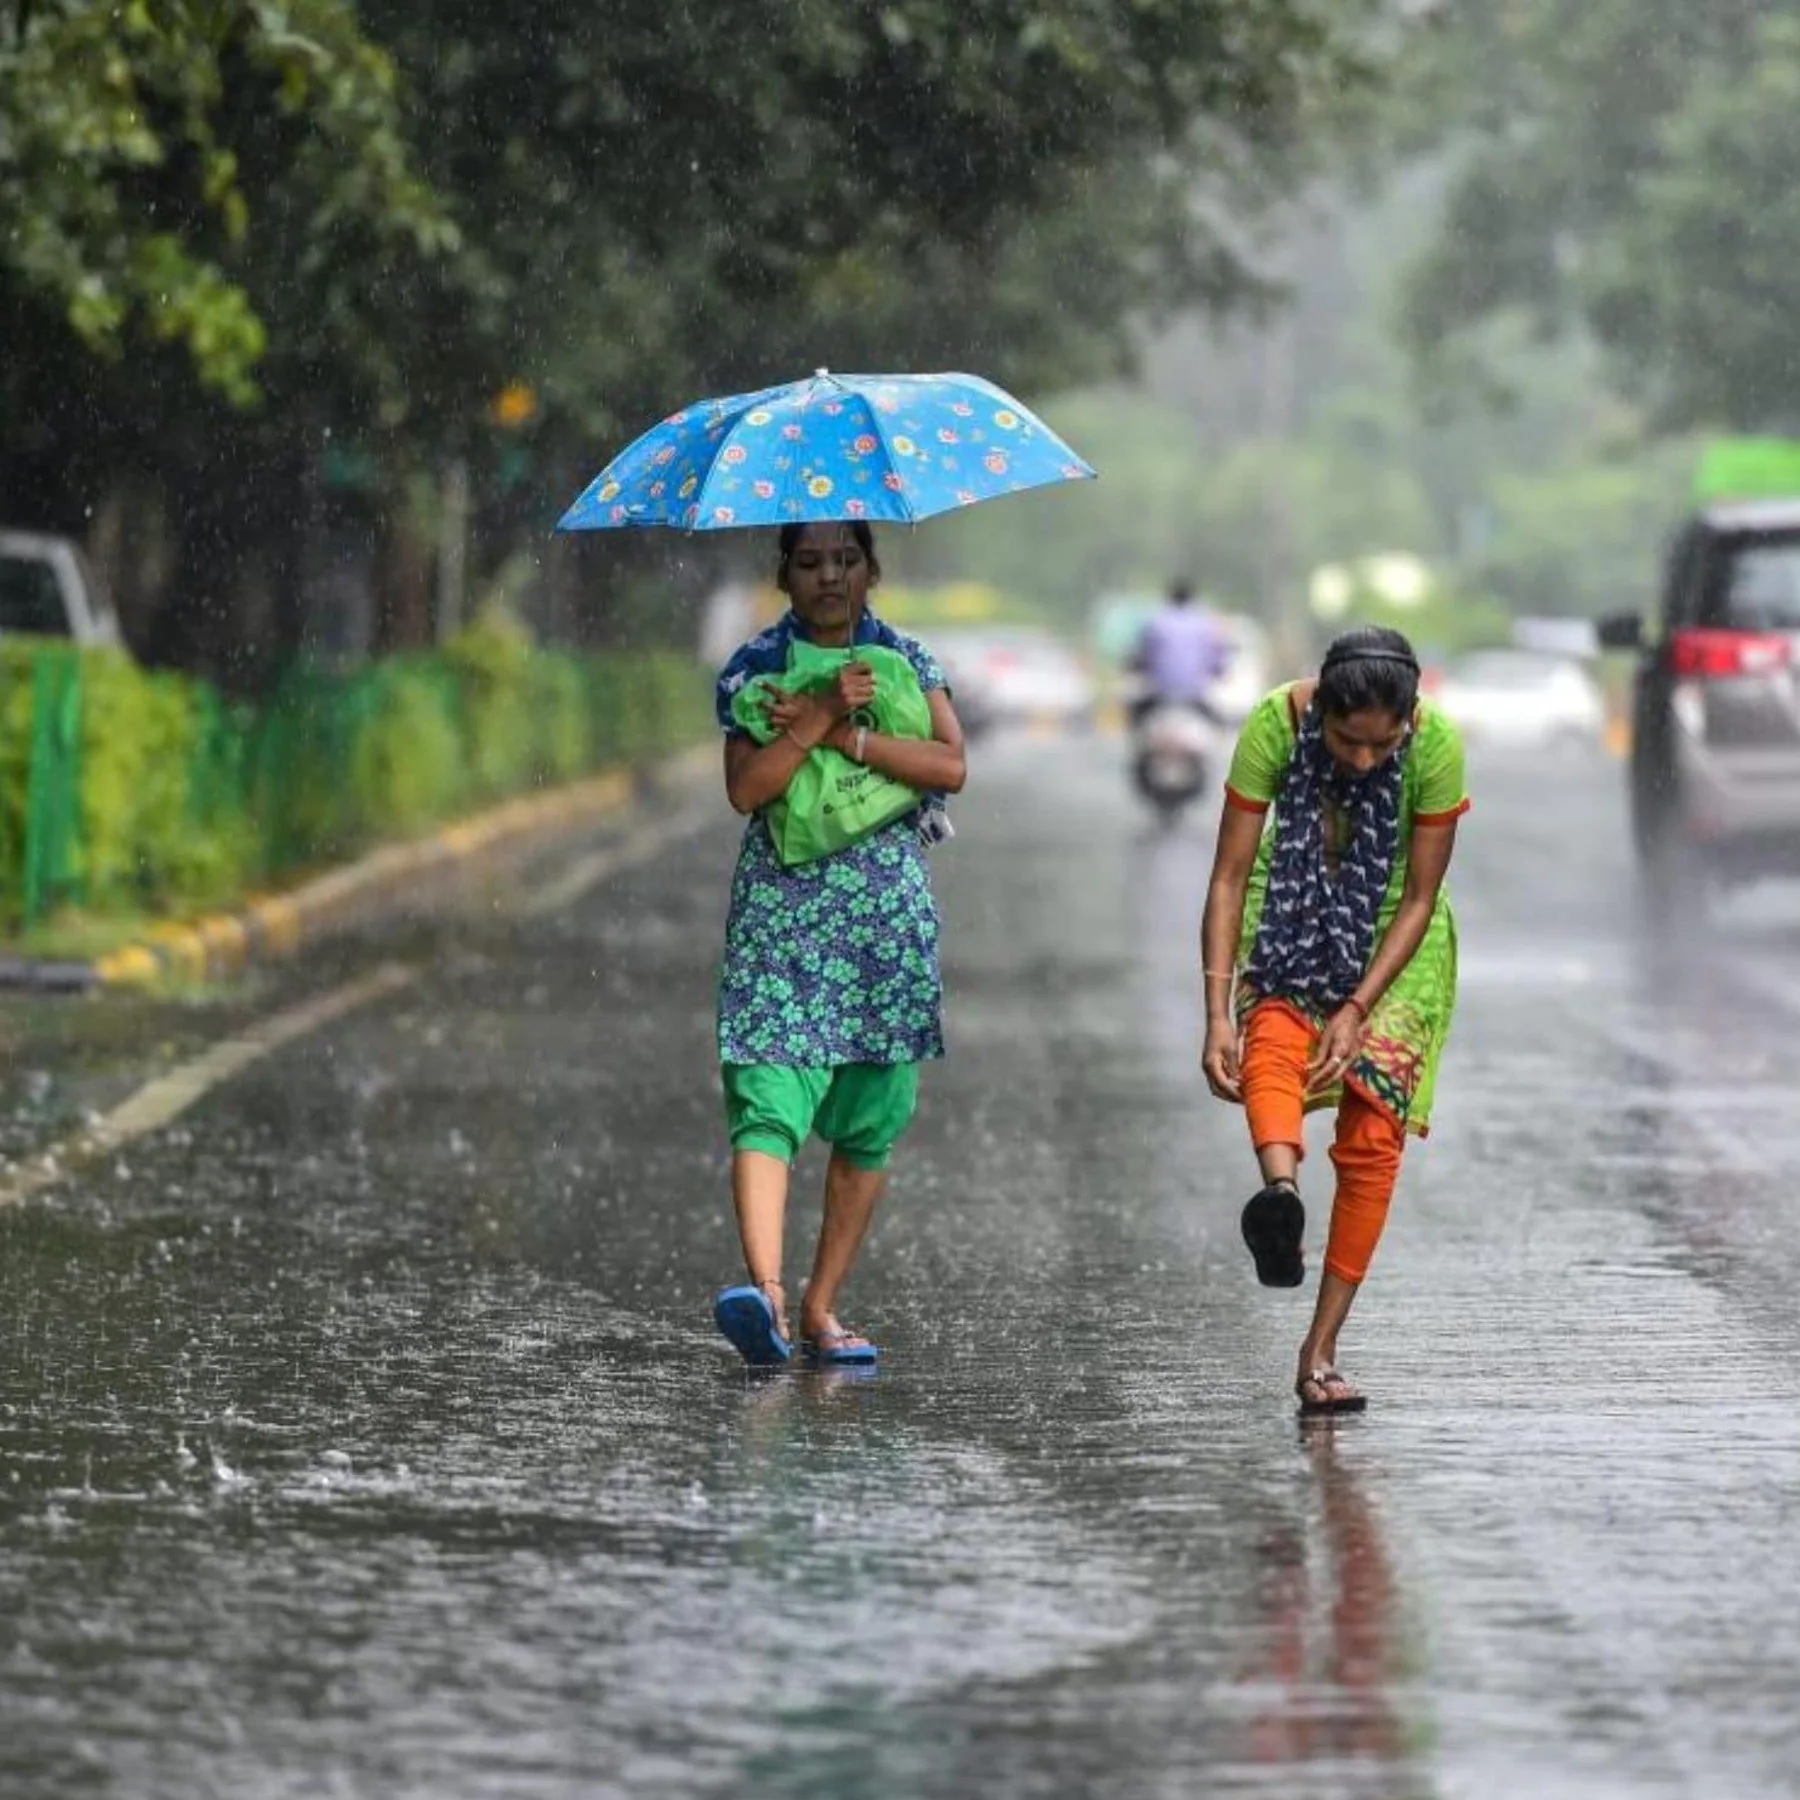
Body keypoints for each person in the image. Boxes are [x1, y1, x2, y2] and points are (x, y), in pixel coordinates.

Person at [710, 520, 967, 1368]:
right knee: (768, 1090)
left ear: (870, 568)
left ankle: (823, 1308)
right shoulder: (755, 672)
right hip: (783, 914)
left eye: (846, 560)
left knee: (870, 1116)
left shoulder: (905, 661)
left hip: (883, 920)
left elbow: (949, 767)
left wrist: (849, 734)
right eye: (811, 562)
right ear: (782, 573)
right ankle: (769, 1298)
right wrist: (810, 717)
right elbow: (748, 789)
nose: (830, 577)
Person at [1199, 626, 1468, 1415]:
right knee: (1272, 1041)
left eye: (1381, 745)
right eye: (1347, 741)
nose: (1362, 760)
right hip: (1289, 911)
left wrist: (1358, 1007)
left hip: (1397, 940)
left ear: (1410, 721)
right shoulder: (1273, 728)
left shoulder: (1439, 746)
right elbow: (1228, 876)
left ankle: (1319, 1350)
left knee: (1375, 1130)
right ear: (1319, 711)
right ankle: (1279, 1197)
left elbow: (1419, 897)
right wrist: (1217, 1012)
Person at [1130, 578, 1231, 724]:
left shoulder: (1156, 622)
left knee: (1136, 720)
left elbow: (1144, 656)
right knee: (1219, 724)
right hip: (1195, 696)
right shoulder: (1204, 624)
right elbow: (1217, 662)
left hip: (1161, 696)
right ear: (1192, 598)